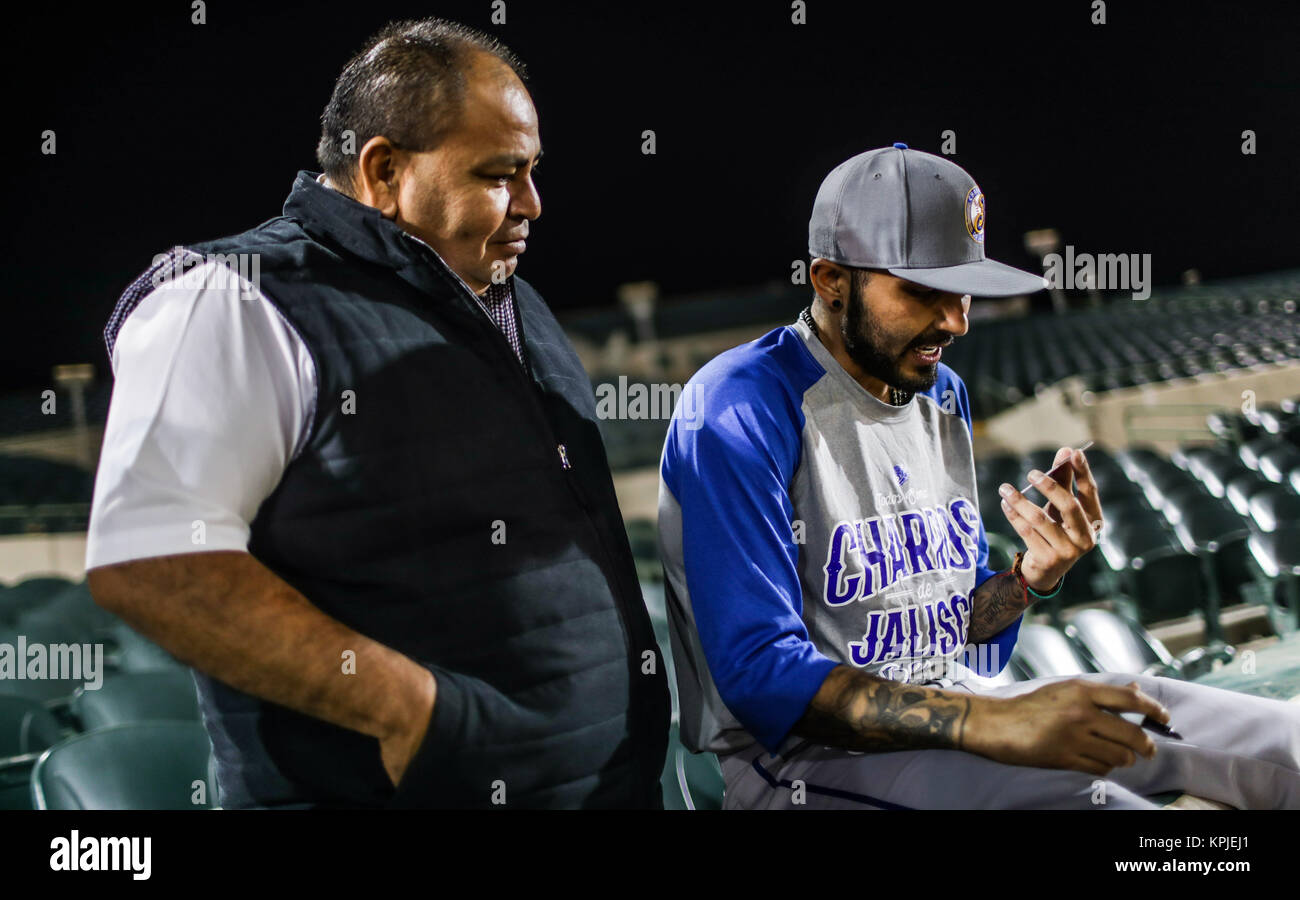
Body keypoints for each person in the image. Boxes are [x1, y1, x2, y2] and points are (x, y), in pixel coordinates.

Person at [86, 17, 669, 809]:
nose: (533, 202)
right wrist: (414, 716)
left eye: (533, 170)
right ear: (384, 168)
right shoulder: (231, 298)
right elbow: (152, 560)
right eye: (500, 174)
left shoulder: (512, 303)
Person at [658, 144, 1300, 809]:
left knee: (1256, 733)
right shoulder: (738, 405)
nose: (958, 321)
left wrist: (1028, 580)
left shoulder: (943, 394)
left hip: (956, 699)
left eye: (963, 290)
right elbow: (763, 679)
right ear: (829, 280)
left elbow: (956, 629)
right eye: (923, 291)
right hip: (802, 764)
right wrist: (992, 724)